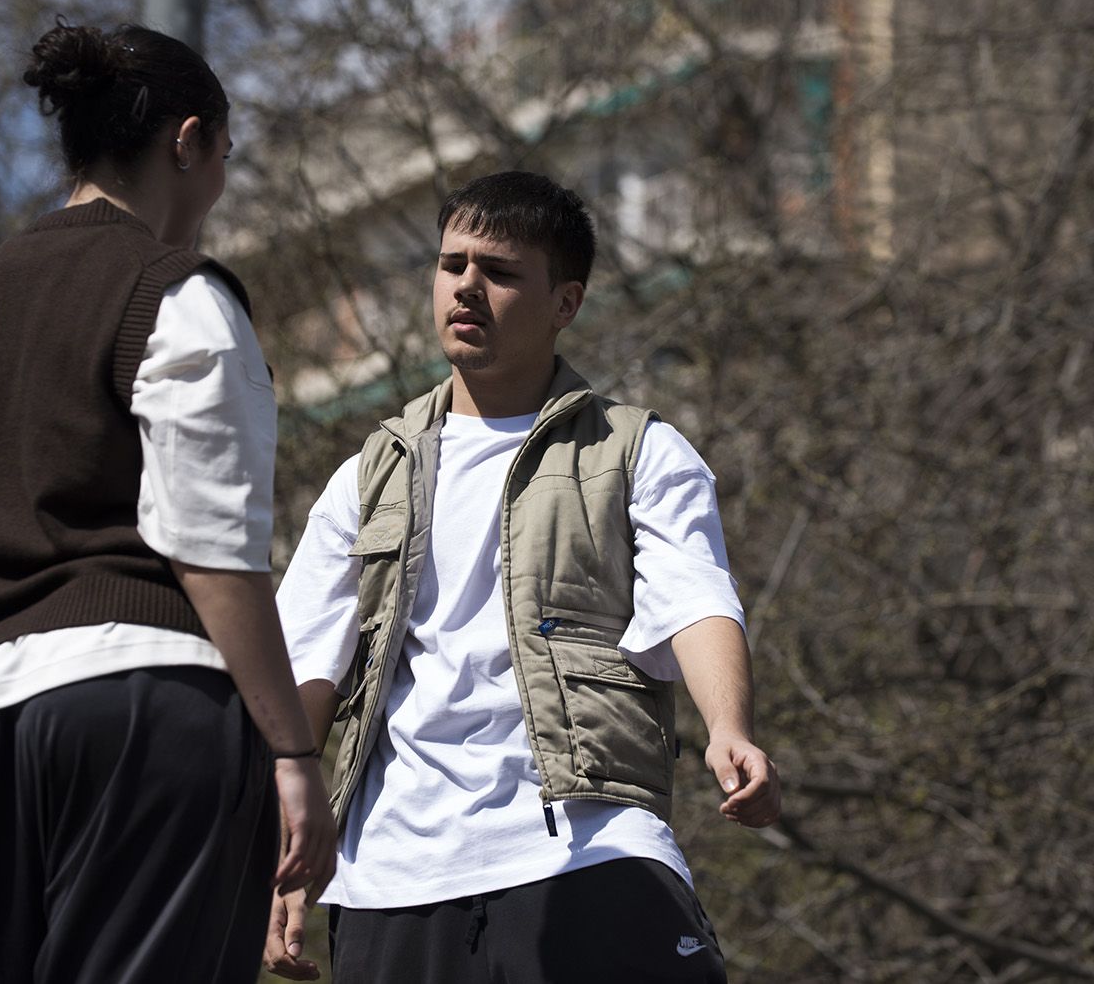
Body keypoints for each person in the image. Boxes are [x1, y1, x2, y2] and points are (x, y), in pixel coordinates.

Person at [0, 19, 333, 984]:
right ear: (188, 140)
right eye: (222, 154)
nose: (217, 185)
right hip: (149, 704)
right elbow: (213, 550)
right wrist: (292, 753)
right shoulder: (177, 295)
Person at [265, 170, 781, 983]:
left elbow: (696, 598)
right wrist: (284, 843)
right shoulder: (368, 477)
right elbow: (304, 666)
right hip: (393, 875)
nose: (466, 286)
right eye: (451, 264)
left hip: (588, 847)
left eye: (499, 271)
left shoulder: (636, 449)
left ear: (566, 302)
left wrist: (731, 727)